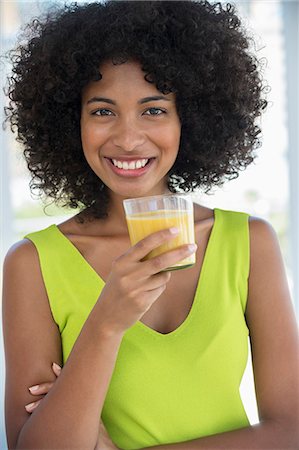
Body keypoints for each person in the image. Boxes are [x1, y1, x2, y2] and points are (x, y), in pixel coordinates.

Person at [2, 1, 299, 449]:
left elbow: (293, 430)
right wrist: (105, 322)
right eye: (102, 111)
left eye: (154, 110)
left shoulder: (248, 243)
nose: (127, 137)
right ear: (71, 121)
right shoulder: (33, 264)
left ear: (190, 119)